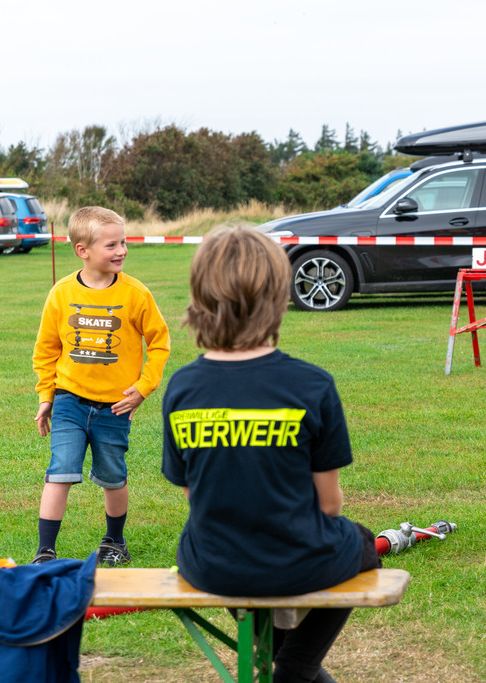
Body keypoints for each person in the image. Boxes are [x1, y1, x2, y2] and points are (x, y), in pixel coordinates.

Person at [161, 226, 381, 683]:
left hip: (211, 563)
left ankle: (287, 661)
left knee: (252, 560)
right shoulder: (311, 384)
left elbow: (194, 496)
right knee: (362, 542)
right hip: (294, 559)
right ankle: (295, 666)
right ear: (279, 297)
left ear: (200, 297)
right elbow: (329, 505)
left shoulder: (182, 388)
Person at [31, 206, 170, 567]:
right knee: (60, 470)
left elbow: (159, 343)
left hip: (115, 406)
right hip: (69, 401)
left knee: (113, 477)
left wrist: (144, 387)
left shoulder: (135, 294)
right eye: (111, 245)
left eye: (123, 242)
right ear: (83, 250)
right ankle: (45, 551)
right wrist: (46, 396)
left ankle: (114, 541)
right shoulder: (61, 294)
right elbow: (46, 350)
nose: (122, 250)